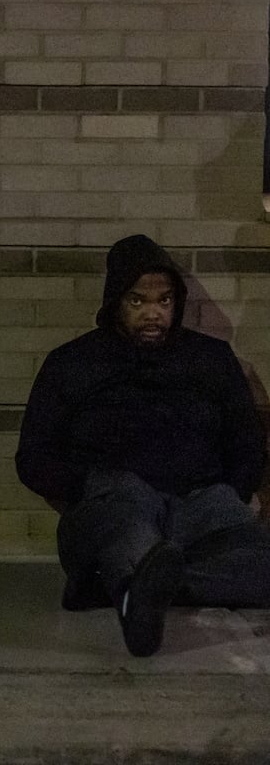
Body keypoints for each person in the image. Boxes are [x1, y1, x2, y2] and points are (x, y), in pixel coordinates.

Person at [16, 234, 270, 656]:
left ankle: (130, 587)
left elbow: (245, 443)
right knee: (128, 517)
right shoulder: (73, 363)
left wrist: (232, 491)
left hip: (199, 506)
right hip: (115, 506)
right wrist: (92, 485)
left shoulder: (211, 360)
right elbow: (33, 458)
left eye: (164, 301)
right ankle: (138, 591)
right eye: (138, 302)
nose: (153, 314)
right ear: (116, 302)